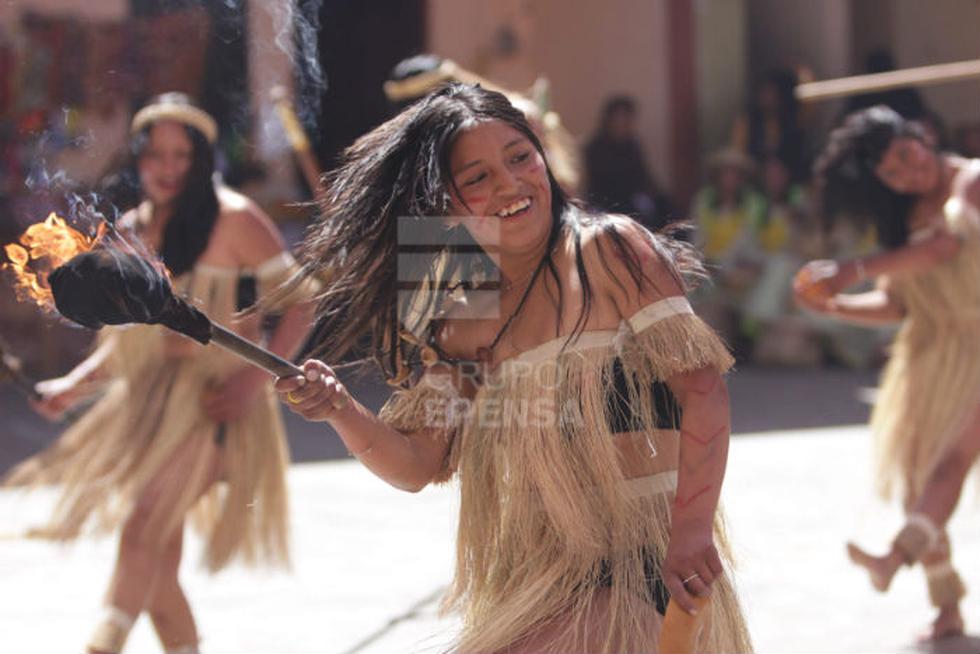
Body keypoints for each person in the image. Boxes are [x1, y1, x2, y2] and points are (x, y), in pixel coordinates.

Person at [273, 83, 752, 653]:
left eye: (520, 157)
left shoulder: (610, 251)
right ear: (445, 201)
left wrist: (693, 533)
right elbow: (420, 461)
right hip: (542, 578)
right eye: (476, 178)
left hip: (646, 568)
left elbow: (702, 389)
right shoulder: (455, 299)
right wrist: (341, 411)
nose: (509, 184)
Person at [4, 93, 316, 654]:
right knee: (157, 558)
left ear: (201, 159)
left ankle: (103, 644)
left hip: (215, 405)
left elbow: (300, 302)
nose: (168, 168)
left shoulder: (237, 218)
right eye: (155, 155)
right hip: (152, 404)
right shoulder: (130, 229)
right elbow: (121, 343)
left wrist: (255, 380)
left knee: (144, 524)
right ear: (139, 159)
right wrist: (72, 387)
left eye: (182, 155)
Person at [794, 105, 980, 640]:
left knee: (947, 467)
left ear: (922, 135)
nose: (907, 174)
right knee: (917, 482)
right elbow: (899, 306)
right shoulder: (900, 216)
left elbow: (947, 246)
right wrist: (835, 307)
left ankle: (892, 561)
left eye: (907, 156)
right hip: (928, 353)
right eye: (892, 174)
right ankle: (946, 606)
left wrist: (851, 270)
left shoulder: (970, 181)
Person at [585, 94, 674, 231]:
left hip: (633, 198)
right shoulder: (596, 148)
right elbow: (599, 183)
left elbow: (644, 175)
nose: (622, 123)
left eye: (627, 118)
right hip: (606, 202)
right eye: (619, 118)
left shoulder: (633, 145)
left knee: (665, 207)